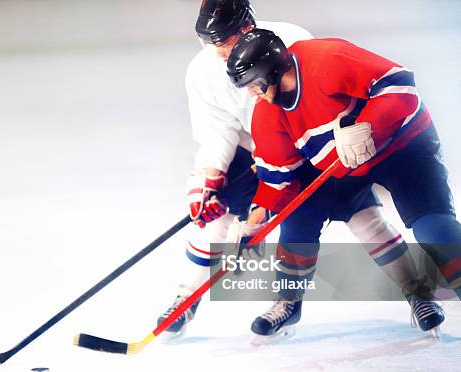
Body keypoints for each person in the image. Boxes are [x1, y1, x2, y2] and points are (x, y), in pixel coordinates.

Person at [158, 0, 440, 340]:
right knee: (213, 221)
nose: (217, 52)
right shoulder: (201, 72)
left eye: (224, 41)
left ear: (246, 27)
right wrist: (208, 179)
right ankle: (187, 298)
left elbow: (314, 105)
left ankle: (417, 291)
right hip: (253, 152)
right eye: (209, 42)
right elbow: (217, 133)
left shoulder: (291, 40)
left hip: (301, 149)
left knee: (362, 217)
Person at [226, 28, 457, 338]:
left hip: (404, 147)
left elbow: (401, 84)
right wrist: (256, 220)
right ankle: (288, 301)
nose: (251, 93)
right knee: (296, 221)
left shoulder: (327, 59)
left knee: (435, 229)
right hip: (342, 165)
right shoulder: (267, 114)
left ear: (270, 72)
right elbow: (280, 177)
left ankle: (420, 292)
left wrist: (369, 125)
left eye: (253, 84)